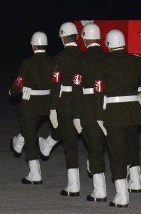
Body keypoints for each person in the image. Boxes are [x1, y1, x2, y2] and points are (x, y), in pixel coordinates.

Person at [94, 29, 141, 207]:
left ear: (108, 44)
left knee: (116, 153)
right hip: (133, 111)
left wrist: (99, 115)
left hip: (113, 112)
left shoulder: (103, 62)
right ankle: (136, 181)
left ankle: (121, 194)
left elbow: (99, 89)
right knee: (131, 145)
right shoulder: (135, 60)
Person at [6, 31, 53, 184]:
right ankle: (18, 142)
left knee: (30, 135)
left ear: (33, 45)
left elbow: (19, 83)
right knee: (29, 129)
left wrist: (12, 92)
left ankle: (35, 173)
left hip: (30, 103)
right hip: (47, 102)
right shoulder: (53, 62)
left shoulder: (28, 63)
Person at [48, 21, 84, 197]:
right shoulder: (85, 56)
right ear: (77, 36)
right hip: (86, 102)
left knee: (70, 143)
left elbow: (55, 85)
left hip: (66, 103)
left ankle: (74, 184)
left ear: (62, 38)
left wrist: (53, 108)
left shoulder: (60, 59)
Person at [76, 23, 109, 201]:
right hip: (109, 104)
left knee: (94, 148)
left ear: (85, 38)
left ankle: (100, 190)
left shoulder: (81, 60)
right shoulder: (108, 57)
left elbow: (76, 86)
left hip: (89, 105)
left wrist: (75, 112)